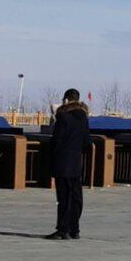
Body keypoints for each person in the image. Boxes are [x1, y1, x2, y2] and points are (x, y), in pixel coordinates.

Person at [46, 89, 91, 240]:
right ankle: (75, 229)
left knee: (64, 197)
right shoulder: (84, 117)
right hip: (76, 162)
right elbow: (87, 141)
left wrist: (52, 159)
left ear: (66, 100)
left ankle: (62, 230)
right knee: (76, 196)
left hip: (62, 161)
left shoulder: (63, 117)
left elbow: (56, 140)